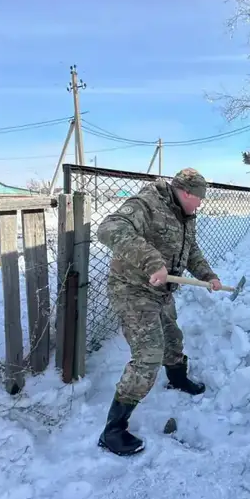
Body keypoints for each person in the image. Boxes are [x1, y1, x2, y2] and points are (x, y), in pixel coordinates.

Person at [95, 168, 222, 456]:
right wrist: (152, 261)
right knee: (148, 355)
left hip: (162, 292)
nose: (201, 204)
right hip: (133, 290)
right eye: (199, 198)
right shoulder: (146, 204)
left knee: (173, 339)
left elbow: (191, 252)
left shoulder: (185, 216)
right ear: (187, 193)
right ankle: (113, 430)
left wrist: (207, 275)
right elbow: (110, 228)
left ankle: (177, 378)